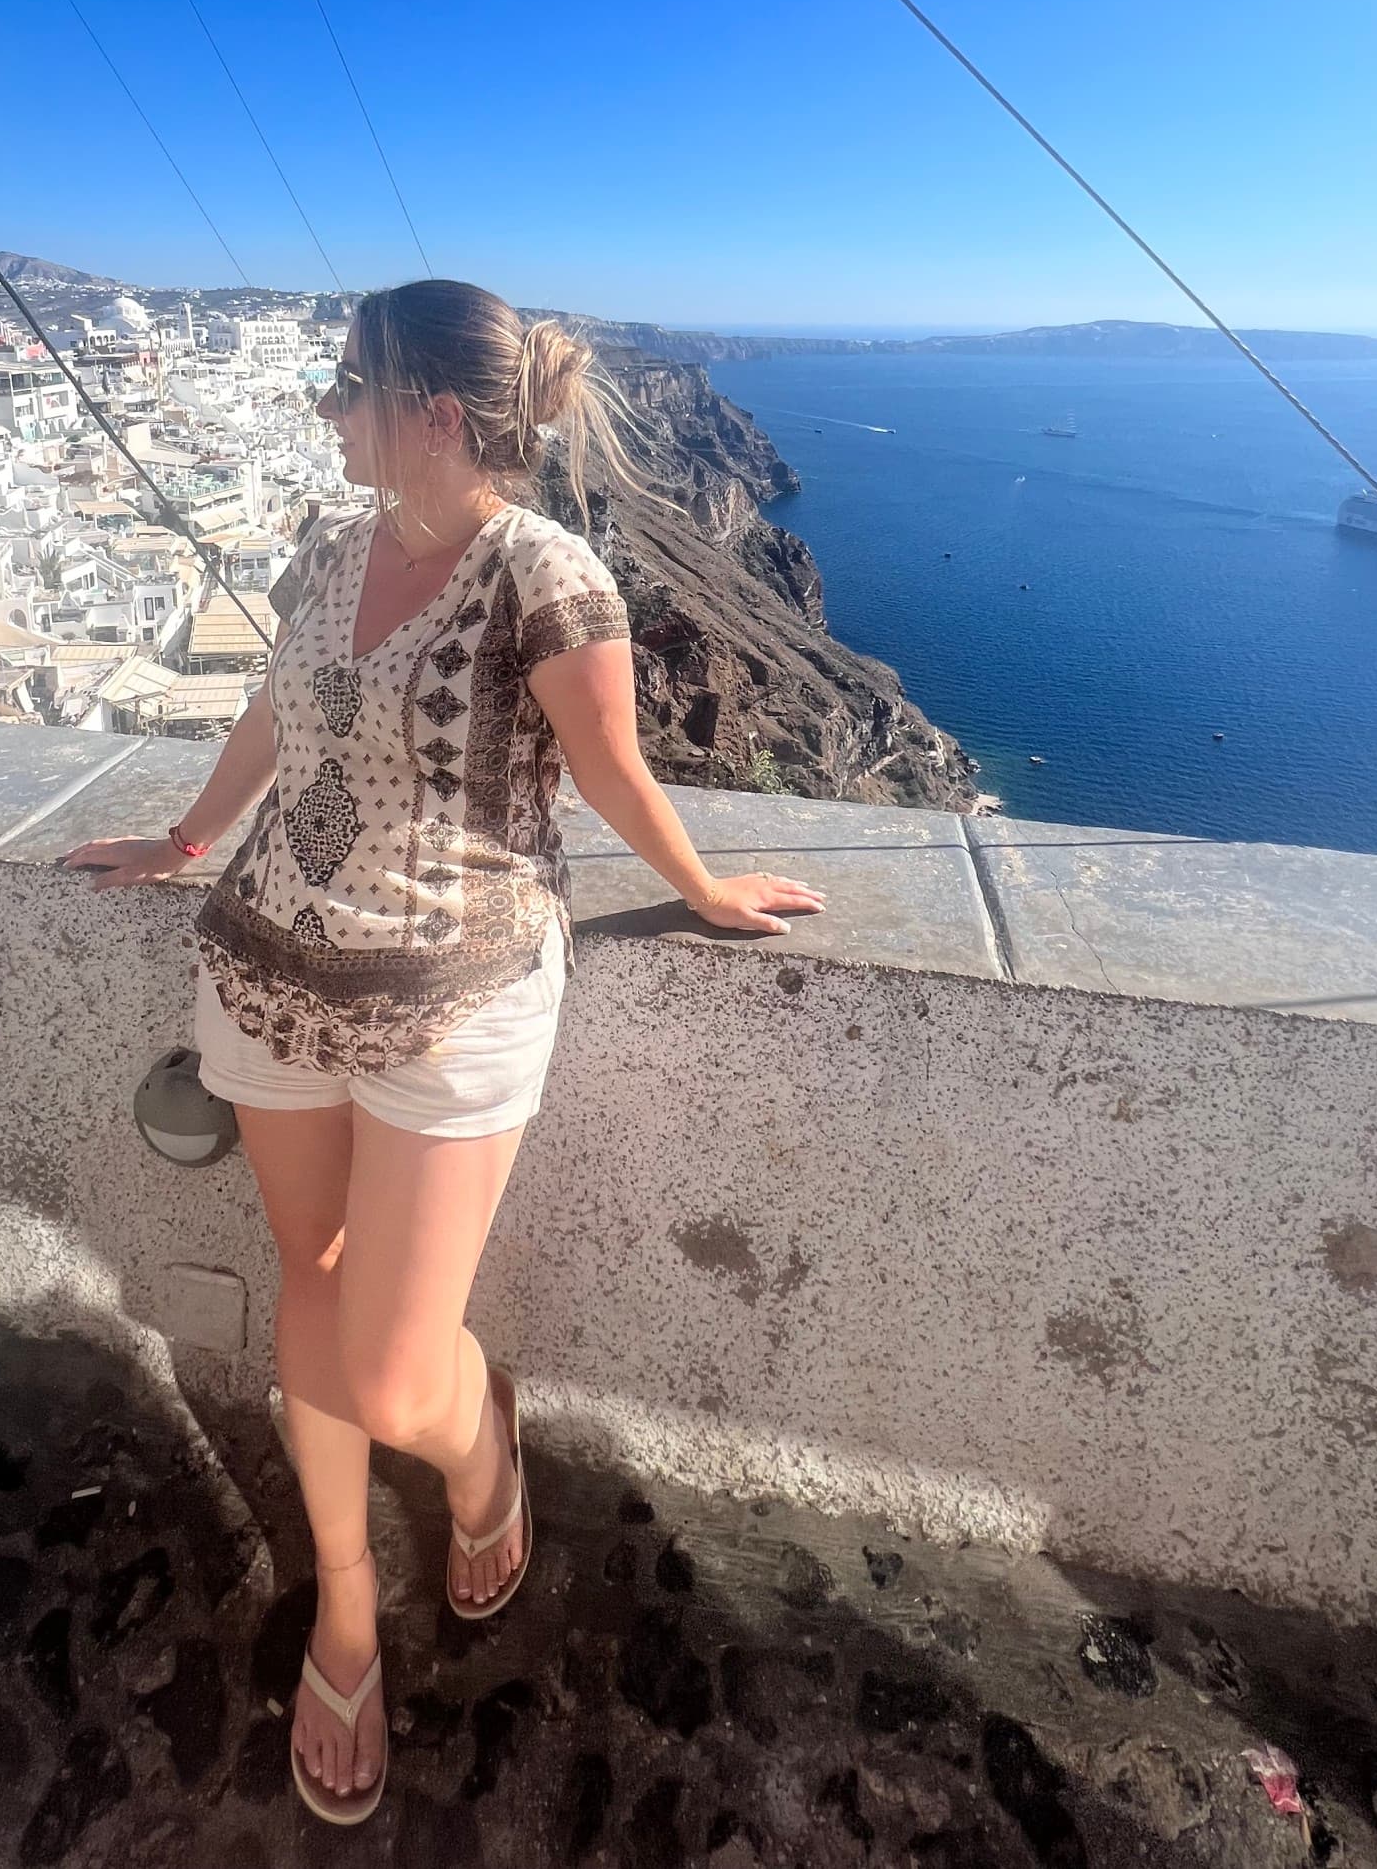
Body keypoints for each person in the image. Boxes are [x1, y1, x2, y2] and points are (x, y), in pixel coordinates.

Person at [64, 279, 822, 1828]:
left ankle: (483, 1463)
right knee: (316, 1281)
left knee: (400, 1365)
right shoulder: (330, 549)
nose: (327, 408)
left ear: (434, 412)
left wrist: (701, 889)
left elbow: (609, 771)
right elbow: (285, 715)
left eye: (350, 384)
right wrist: (193, 831)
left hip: (457, 994)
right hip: (273, 971)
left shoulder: (547, 576)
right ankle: (346, 1594)